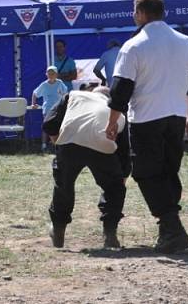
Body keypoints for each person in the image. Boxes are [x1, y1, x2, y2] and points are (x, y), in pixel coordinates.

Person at [105, 0, 188, 253]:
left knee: (147, 173)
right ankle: (168, 228)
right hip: (176, 116)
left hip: (147, 117)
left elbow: (120, 91)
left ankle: (172, 228)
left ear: (140, 14)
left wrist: (112, 122)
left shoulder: (133, 46)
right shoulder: (185, 41)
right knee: (169, 171)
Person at [43, 87, 130, 249]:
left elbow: (49, 122)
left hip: (70, 142)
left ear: (92, 92)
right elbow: (124, 152)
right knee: (113, 188)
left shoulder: (74, 96)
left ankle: (58, 228)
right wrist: (120, 180)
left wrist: (58, 143)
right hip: (102, 143)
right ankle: (110, 233)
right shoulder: (118, 112)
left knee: (64, 186)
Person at [32, 66, 69, 151]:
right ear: (46, 74)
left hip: (59, 110)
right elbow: (35, 93)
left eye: (53, 73)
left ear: (56, 75)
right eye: (49, 73)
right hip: (47, 110)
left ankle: (59, 145)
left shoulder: (60, 83)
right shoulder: (44, 84)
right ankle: (44, 145)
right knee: (46, 128)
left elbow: (66, 94)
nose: (51, 75)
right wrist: (33, 104)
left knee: (60, 127)